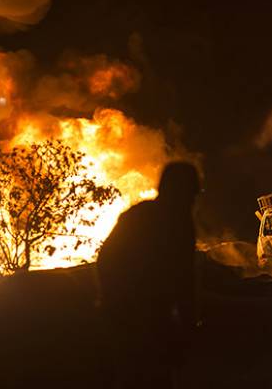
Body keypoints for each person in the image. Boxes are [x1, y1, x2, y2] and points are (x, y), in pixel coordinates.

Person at [96, 162, 201, 389]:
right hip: (139, 315)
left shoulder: (138, 215)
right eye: (191, 194)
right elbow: (184, 279)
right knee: (144, 374)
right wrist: (187, 324)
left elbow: (105, 259)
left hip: (134, 313)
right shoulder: (177, 224)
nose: (193, 201)